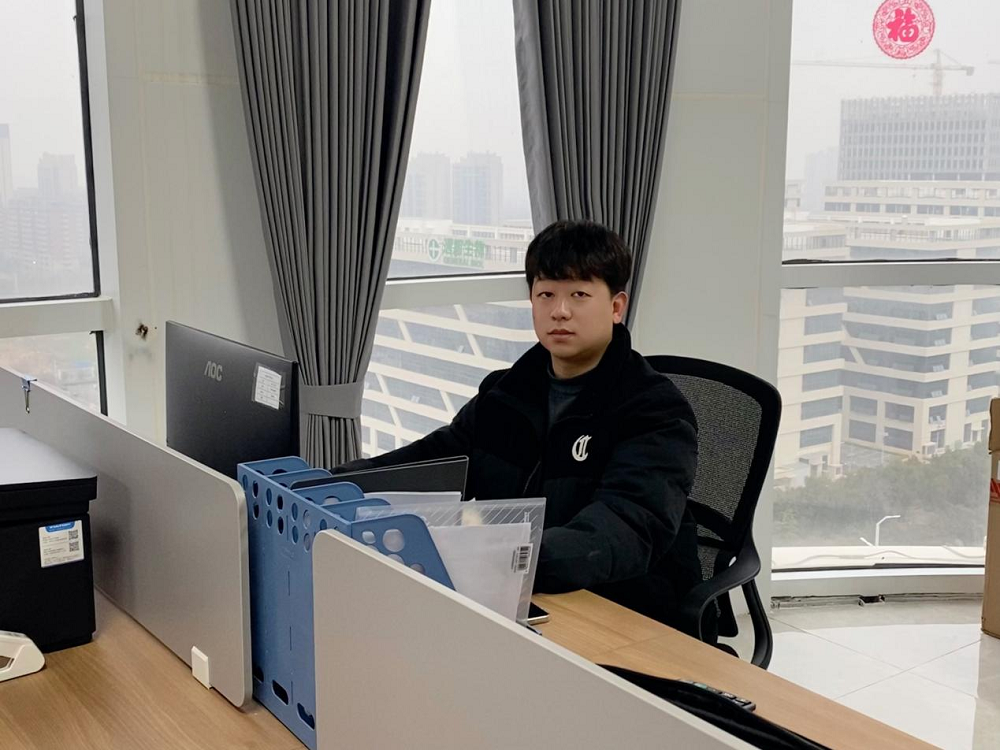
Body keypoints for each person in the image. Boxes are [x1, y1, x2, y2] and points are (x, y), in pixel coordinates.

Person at [338, 219, 701, 628]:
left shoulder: (655, 410)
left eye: (579, 294)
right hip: (517, 591)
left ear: (617, 307)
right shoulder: (506, 392)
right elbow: (440, 459)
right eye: (546, 294)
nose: (559, 311)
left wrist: (507, 558)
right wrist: (341, 484)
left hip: (624, 608)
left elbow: (626, 526)